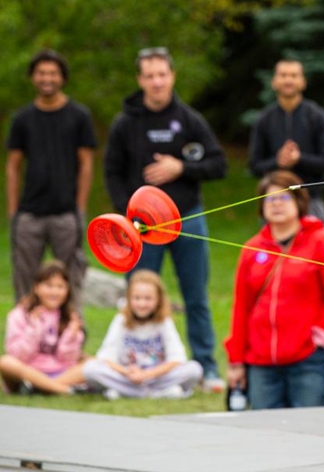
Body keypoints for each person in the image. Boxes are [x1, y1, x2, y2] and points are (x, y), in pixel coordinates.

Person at [104, 47, 227, 392]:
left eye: (162, 74)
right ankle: (128, 366)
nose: (157, 81)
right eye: (150, 75)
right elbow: (111, 172)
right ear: (140, 80)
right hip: (141, 229)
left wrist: (181, 167)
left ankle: (206, 368)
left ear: (171, 76)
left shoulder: (190, 120)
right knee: (137, 296)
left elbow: (219, 165)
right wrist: (127, 215)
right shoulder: (125, 122)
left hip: (187, 218)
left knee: (196, 297)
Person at [224, 170, 324, 409]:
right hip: (261, 361)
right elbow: (242, 306)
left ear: (299, 202)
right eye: (269, 199)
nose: (276, 204)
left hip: (307, 358)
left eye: (283, 198)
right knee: (265, 432)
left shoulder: (322, 242)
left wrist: (323, 333)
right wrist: (236, 360)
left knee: (308, 429)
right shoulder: (252, 249)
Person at [5, 50, 96, 309]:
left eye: (53, 73)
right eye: (42, 73)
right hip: (29, 215)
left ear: (62, 78)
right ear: (33, 77)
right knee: (25, 283)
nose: (47, 78)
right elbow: (13, 166)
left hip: (66, 214)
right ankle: (22, 342)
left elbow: (86, 163)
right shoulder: (22, 119)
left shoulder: (79, 116)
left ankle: (70, 340)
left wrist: (79, 208)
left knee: (70, 280)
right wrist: (14, 212)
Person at [82, 270, 202, 400]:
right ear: (129, 298)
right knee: (90, 369)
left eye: (148, 299)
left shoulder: (164, 322)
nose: (142, 304)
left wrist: (147, 374)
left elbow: (177, 358)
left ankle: (126, 392)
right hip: (128, 376)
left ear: (158, 300)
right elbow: (106, 356)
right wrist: (127, 372)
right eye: (137, 298)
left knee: (194, 369)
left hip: (156, 376)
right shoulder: (121, 319)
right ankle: (158, 393)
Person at [248, 59, 324, 223]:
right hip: (274, 203)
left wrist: (299, 159)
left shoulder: (317, 116)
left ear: (302, 82)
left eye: (294, 75)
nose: (288, 80)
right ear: (274, 82)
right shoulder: (264, 119)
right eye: (283, 75)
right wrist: (278, 162)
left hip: (311, 201)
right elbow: (254, 166)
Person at [0, 261, 87, 395]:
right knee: (5, 362)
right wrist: (33, 331)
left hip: (59, 372)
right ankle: (62, 389)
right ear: (36, 287)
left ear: (68, 290)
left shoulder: (70, 317)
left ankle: (39, 387)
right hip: (28, 370)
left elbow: (67, 360)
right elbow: (18, 355)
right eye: (49, 285)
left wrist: (72, 335)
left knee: (92, 363)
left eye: (60, 286)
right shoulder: (20, 314)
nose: (54, 291)